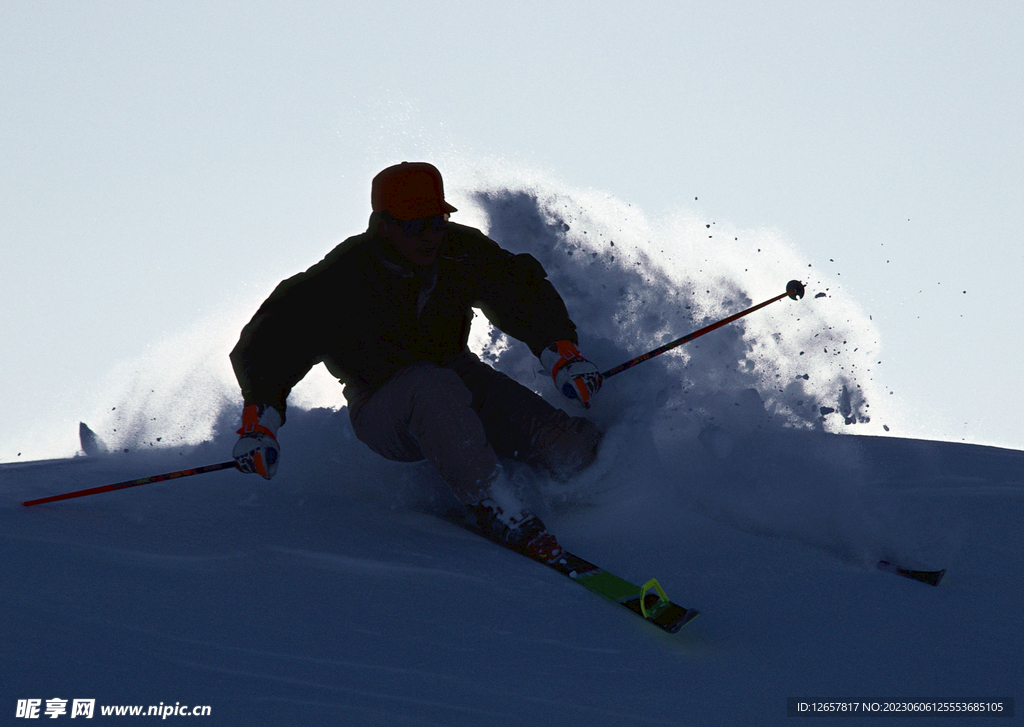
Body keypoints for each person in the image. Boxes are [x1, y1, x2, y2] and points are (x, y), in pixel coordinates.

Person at [230, 162, 603, 562]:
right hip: (382, 401)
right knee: (429, 385)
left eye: (438, 221)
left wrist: (561, 352)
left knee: (573, 452)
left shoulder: (460, 251)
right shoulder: (343, 278)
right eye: (414, 226)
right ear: (384, 224)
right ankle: (496, 506)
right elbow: (272, 339)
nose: (429, 236)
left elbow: (518, 291)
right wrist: (260, 419)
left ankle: (571, 488)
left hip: (460, 374)